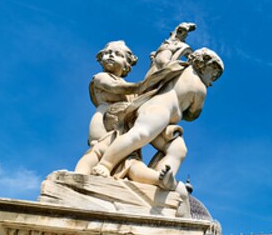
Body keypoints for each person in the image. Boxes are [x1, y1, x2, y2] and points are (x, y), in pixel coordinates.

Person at [88, 47, 224, 187]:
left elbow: (161, 59)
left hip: (165, 123)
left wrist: (169, 49)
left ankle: (163, 176)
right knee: (140, 135)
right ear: (204, 64)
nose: (212, 81)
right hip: (159, 111)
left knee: (178, 149)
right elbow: (192, 115)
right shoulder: (195, 83)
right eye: (213, 75)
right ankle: (105, 165)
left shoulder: (180, 70)